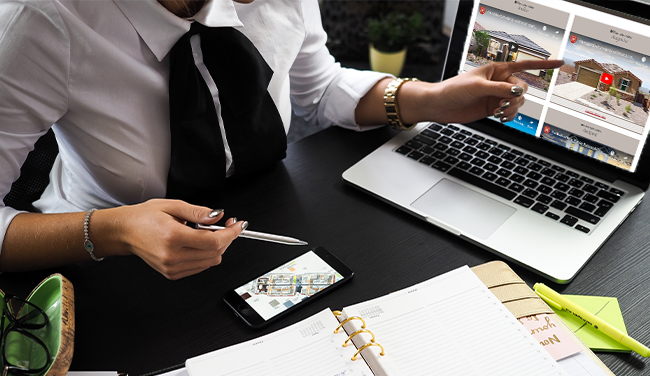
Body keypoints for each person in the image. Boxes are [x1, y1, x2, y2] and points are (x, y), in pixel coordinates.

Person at [0, 0, 562, 280]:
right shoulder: (39, 23)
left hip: (269, 216)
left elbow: (318, 90)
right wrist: (116, 230)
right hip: (110, 262)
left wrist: (426, 99)